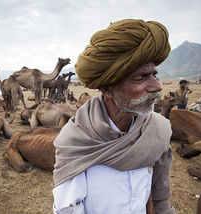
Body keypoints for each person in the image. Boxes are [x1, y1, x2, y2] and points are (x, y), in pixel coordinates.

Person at [53, 19, 175, 214]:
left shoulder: (157, 130)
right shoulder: (75, 141)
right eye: (141, 77)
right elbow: (68, 209)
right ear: (108, 89)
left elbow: (161, 196)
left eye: (154, 75)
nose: (157, 86)